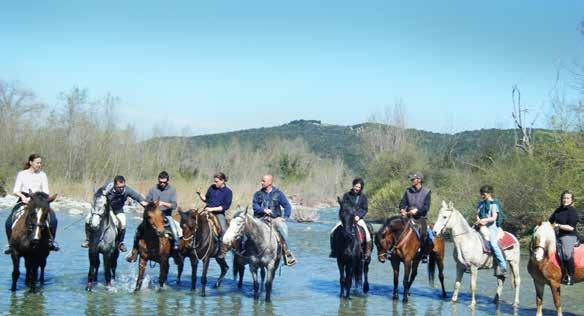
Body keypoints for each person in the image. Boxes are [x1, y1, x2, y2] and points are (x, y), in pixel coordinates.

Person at [4, 154, 59, 254]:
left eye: (40, 163)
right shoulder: (22, 174)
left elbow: (46, 191)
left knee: (54, 220)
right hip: (24, 200)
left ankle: (51, 242)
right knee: (8, 222)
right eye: (37, 162)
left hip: (39, 201)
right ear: (31, 162)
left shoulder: (43, 175)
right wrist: (24, 197)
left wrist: (40, 200)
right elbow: (15, 190)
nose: (39, 164)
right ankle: (10, 244)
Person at [81, 175, 148, 252]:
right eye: (119, 187)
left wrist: (143, 202)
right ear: (115, 185)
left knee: (123, 223)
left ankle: (120, 243)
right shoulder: (107, 188)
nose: (121, 188)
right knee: (88, 219)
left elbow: (137, 196)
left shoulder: (126, 190)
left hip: (117, 209)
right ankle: (88, 240)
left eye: (123, 186)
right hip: (105, 208)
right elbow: (97, 195)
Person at [126, 171, 178, 262]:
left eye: (164, 182)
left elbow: (174, 205)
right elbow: (146, 202)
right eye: (160, 182)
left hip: (166, 215)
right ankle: (134, 252)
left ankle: (176, 249)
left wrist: (163, 203)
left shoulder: (172, 190)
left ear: (167, 181)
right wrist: (151, 204)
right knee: (139, 230)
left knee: (175, 229)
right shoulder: (153, 189)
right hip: (153, 216)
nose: (162, 184)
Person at [252, 174, 296, 266]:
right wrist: (263, 210)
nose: (261, 182)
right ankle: (244, 251)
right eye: (261, 180)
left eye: (263, 181)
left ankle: (287, 252)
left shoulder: (278, 194)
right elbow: (255, 206)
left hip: (274, 218)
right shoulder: (257, 194)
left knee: (282, 227)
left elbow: (287, 206)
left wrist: (285, 217)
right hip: (260, 218)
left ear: (270, 182)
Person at [329, 177, 371, 259]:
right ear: (353, 185)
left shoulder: (363, 197)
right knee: (332, 231)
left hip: (358, 219)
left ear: (361, 188)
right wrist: (345, 217)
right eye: (356, 186)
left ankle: (367, 252)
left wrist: (358, 216)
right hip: (347, 219)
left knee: (367, 233)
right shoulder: (346, 195)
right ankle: (333, 251)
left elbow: (365, 209)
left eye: (359, 187)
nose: (357, 188)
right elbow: (343, 208)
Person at [197, 172, 233, 259]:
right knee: (194, 223)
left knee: (224, 230)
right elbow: (206, 199)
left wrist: (212, 209)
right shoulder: (212, 188)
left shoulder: (228, 192)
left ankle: (222, 250)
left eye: (217, 181)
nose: (215, 183)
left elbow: (225, 206)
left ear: (223, 181)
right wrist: (199, 194)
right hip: (206, 211)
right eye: (214, 181)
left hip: (218, 214)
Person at [399, 172, 433, 263]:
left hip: (421, 217)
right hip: (408, 217)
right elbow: (403, 203)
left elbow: (426, 208)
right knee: (396, 228)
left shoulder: (427, 192)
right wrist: (402, 209)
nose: (411, 181)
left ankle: (424, 254)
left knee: (424, 232)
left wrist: (417, 211)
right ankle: (393, 251)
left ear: (419, 180)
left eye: (413, 179)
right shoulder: (407, 191)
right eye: (411, 179)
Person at [475, 185, 507, 277]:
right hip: (481, 225)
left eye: (483, 194)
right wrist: (478, 220)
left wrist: (484, 220)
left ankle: (503, 266)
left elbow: (494, 218)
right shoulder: (481, 204)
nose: (482, 196)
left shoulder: (494, 204)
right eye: (481, 194)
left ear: (489, 194)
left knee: (493, 244)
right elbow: (477, 214)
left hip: (492, 227)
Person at [549, 190, 579, 285]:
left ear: (571, 200)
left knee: (566, 254)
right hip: (557, 235)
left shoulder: (572, 211)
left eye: (567, 198)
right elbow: (550, 221)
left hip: (569, 235)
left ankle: (570, 276)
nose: (565, 200)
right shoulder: (558, 210)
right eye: (564, 198)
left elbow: (571, 227)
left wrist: (558, 225)